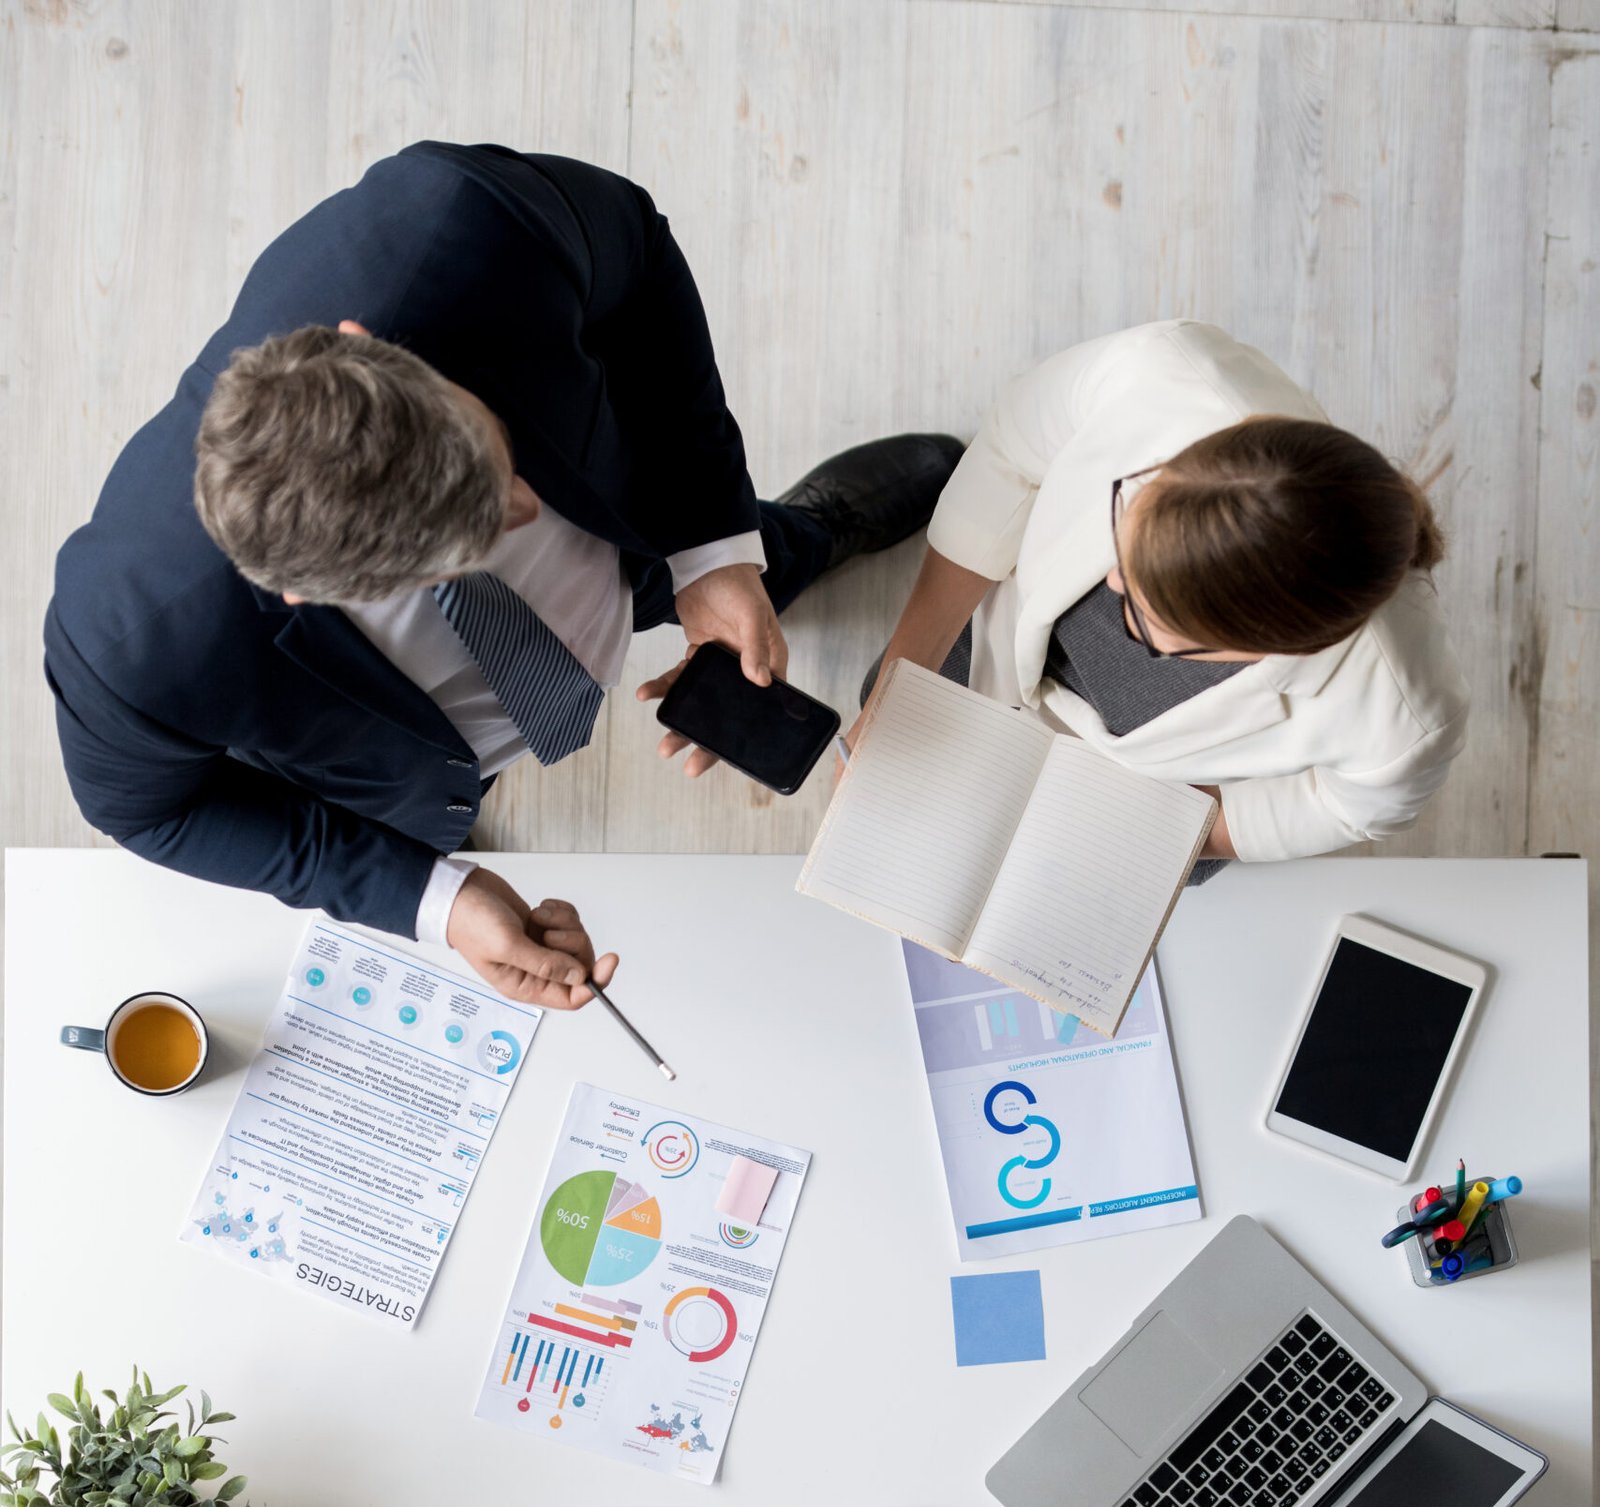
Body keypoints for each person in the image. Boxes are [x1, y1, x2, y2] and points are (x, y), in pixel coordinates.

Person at [44, 143, 959, 1006]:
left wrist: (712, 549)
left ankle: (803, 535)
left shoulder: (458, 221)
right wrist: (433, 898)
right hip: (392, 739)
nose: (525, 509)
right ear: (305, 591)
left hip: (624, 517)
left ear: (368, 343)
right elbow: (153, 814)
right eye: (475, 534)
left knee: (743, 559)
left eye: (494, 459)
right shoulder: (129, 646)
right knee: (427, 801)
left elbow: (636, 256)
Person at [849, 321, 1468, 869]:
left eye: (1148, 618)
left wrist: (1171, 832)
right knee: (891, 716)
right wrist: (896, 688)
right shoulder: (1163, 370)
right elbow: (1012, 451)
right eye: (1130, 530)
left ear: (1263, 648)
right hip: (1005, 643)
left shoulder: (1407, 718)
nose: (1113, 582)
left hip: (1154, 788)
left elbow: (1347, 807)